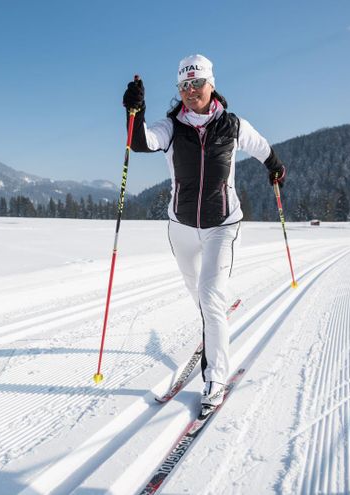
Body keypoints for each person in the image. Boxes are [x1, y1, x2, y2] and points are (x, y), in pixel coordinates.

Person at [122, 54, 286, 408]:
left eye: (196, 83)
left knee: (210, 298)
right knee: (198, 293)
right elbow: (140, 143)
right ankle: (214, 324)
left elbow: (263, 149)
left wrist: (275, 168)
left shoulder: (232, 125)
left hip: (222, 226)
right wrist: (134, 109)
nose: (191, 90)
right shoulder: (171, 127)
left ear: (211, 84)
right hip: (180, 226)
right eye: (184, 85)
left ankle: (215, 377)